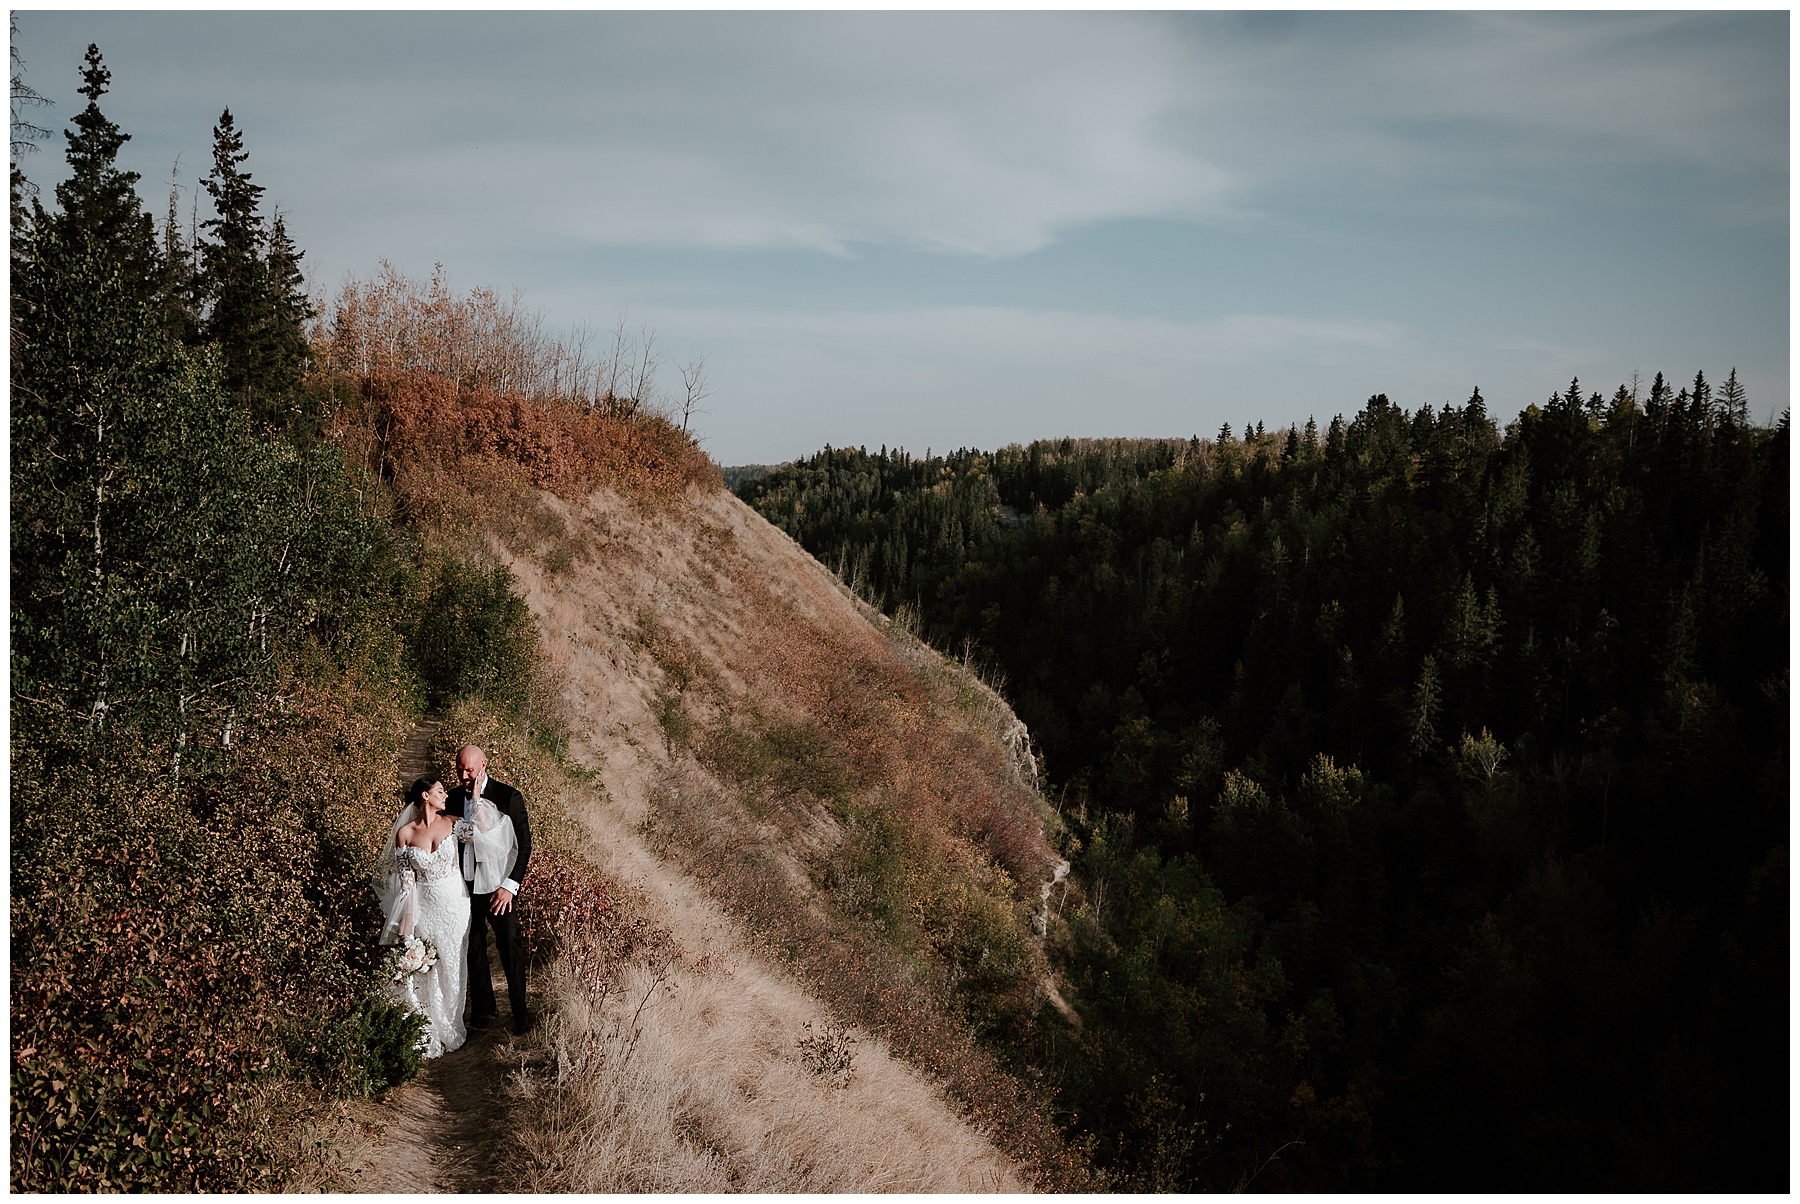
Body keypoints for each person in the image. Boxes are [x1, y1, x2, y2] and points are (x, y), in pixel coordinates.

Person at [374, 778, 470, 1058]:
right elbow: (407, 885)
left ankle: (451, 1024)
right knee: (430, 965)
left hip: (455, 905)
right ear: (426, 796)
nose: (446, 795)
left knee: (453, 963)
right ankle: (428, 1027)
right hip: (425, 908)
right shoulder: (404, 834)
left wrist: (476, 800)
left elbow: (484, 835)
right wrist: (406, 926)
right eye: (440, 791)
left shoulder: (453, 823)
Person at [446, 745, 534, 1034]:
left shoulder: (508, 796)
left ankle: (520, 1013)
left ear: (483, 765)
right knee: (473, 947)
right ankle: (484, 1010)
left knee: (509, 946)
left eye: (469, 770)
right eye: (459, 770)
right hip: (464, 886)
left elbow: (524, 845)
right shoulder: (453, 798)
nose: (464, 776)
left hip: (499, 888)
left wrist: (509, 886)